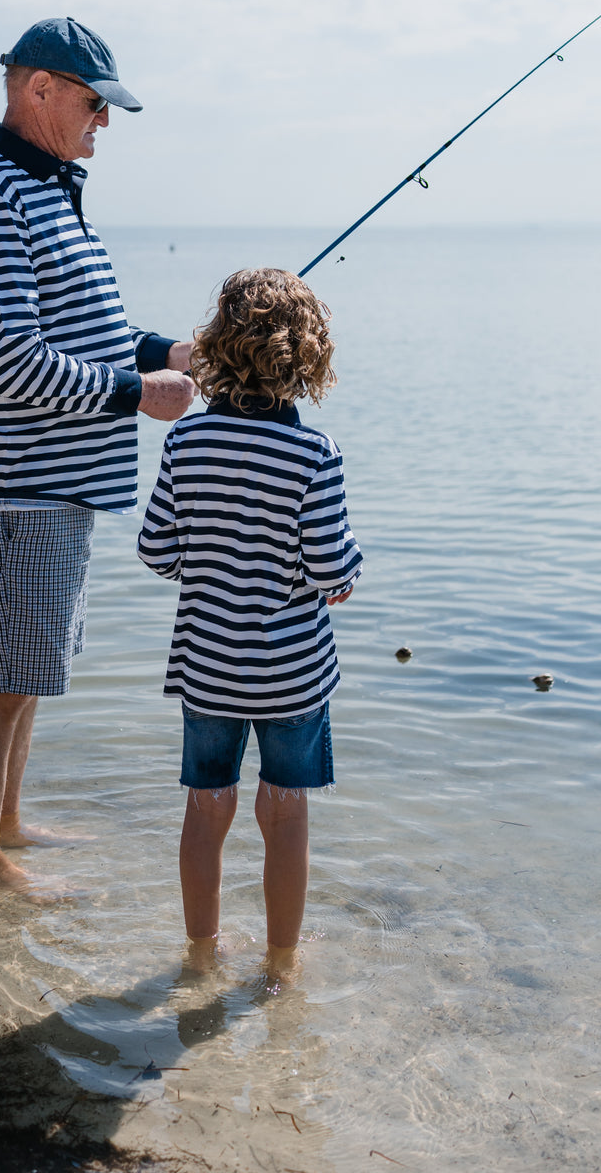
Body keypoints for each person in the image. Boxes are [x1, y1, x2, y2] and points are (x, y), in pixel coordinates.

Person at [0, 17, 195, 890]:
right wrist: (135, 396)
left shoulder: (47, 187)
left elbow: (92, 329)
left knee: (28, 674)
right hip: (12, 487)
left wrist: (167, 353)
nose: (106, 123)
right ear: (36, 88)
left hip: (55, 486)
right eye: (96, 103)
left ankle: (6, 827)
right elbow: (9, 361)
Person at [137, 268, 362, 982]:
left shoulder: (186, 443)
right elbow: (333, 571)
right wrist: (342, 579)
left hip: (208, 664)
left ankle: (201, 954)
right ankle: (281, 964)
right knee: (285, 812)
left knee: (207, 807)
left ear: (218, 350)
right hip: (293, 673)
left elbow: (156, 550)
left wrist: (211, 558)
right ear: (308, 359)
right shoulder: (314, 455)